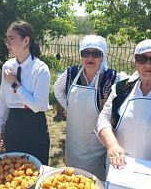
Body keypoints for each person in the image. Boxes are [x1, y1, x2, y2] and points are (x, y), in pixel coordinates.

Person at [97, 39, 151, 188]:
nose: (148, 65)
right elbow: (104, 119)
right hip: (120, 172)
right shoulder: (121, 89)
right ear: (135, 62)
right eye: (142, 59)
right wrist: (112, 144)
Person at [53, 35, 126, 180]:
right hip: (74, 141)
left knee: (94, 180)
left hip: (97, 144)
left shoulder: (112, 78)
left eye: (96, 53)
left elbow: (122, 100)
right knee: (72, 179)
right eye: (85, 53)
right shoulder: (71, 73)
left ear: (103, 56)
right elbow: (57, 89)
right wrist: (70, 107)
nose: (90, 57)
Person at [0, 20, 50, 165]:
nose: (7, 43)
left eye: (11, 38)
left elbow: (37, 106)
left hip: (34, 125)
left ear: (26, 40)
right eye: (6, 39)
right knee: (13, 171)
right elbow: (3, 99)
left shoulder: (40, 69)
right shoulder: (7, 66)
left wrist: (15, 84)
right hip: (13, 124)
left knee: (37, 170)